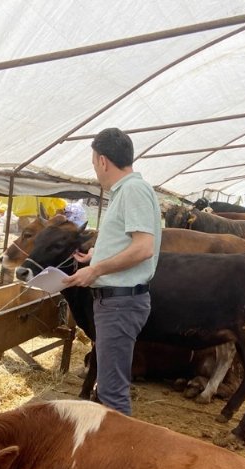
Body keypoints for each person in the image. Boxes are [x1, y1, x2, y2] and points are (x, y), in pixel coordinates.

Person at [63, 128, 161, 416]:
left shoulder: (132, 190)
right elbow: (131, 242)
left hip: (120, 303)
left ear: (103, 161)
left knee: (112, 392)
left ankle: (120, 456)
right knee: (108, 387)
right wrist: (97, 254)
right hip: (117, 301)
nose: (95, 170)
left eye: (94, 163)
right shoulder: (129, 191)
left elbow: (144, 248)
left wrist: (96, 270)